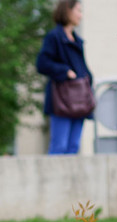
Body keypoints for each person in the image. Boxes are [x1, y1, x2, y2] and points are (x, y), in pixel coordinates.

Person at [36, 0, 92, 155]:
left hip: (80, 99)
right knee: (59, 145)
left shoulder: (77, 40)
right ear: (68, 11)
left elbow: (83, 67)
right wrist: (65, 71)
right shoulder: (54, 37)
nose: (80, 16)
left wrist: (88, 80)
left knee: (73, 146)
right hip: (62, 99)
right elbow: (42, 63)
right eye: (78, 11)